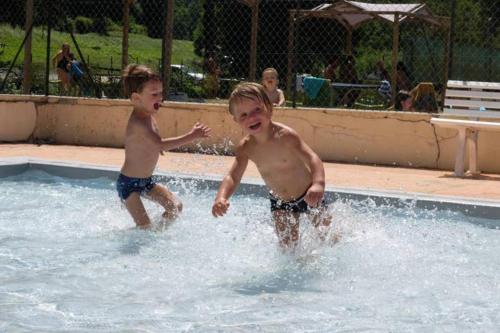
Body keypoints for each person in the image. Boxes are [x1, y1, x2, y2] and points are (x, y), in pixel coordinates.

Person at [211, 82, 332, 249]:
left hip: (308, 194)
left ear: (270, 108)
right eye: (244, 115)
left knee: (329, 236)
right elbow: (233, 176)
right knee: (288, 248)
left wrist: (318, 184)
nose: (251, 117)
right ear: (236, 120)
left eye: (257, 110)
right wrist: (221, 197)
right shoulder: (246, 147)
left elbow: (312, 158)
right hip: (280, 202)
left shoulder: (285, 136)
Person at [118, 64, 211, 229]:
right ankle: (148, 238)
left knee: (175, 207)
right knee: (144, 227)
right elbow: (160, 143)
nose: (160, 97)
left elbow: (155, 140)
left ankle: (158, 233)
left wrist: (156, 148)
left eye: (160, 92)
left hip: (146, 181)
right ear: (136, 98)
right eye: (154, 94)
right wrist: (192, 136)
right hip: (128, 185)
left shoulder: (148, 115)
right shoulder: (139, 122)